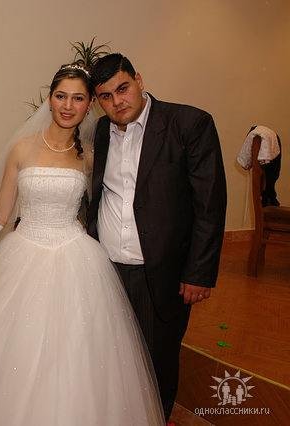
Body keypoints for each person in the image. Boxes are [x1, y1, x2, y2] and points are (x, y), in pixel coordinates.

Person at [0, 63, 164, 425]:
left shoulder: (91, 156)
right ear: (50, 99)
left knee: (78, 357)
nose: (68, 106)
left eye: (78, 98)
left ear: (90, 105)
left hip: (77, 260)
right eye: (61, 96)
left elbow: (117, 200)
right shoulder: (22, 149)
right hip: (24, 255)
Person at [86, 53, 227, 420]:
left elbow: (209, 206)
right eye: (106, 96)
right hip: (107, 269)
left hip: (161, 272)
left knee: (157, 362)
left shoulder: (189, 124)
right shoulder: (101, 131)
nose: (117, 102)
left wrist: (199, 273)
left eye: (123, 88)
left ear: (139, 80)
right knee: (112, 357)